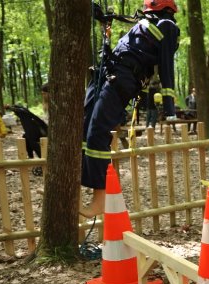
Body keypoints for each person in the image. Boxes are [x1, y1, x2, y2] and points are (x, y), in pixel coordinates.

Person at [80, 0, 179, 218]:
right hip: (107, 72)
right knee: (84, 126)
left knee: (98, 131)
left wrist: (169, 106)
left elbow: (166, 66)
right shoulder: (142, 22)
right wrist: (102, 19)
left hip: (123, 79)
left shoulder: (167, 26)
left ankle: (100, 198)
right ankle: (78, 185)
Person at [7, 101, 48, 175]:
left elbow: (19, 110)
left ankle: (43, 160)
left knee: (33, 143)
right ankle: (31, 157)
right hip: (34, 133)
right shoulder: (24, 113)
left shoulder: (23, 113)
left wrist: (10, 107)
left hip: (37, 133)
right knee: (25, 138)